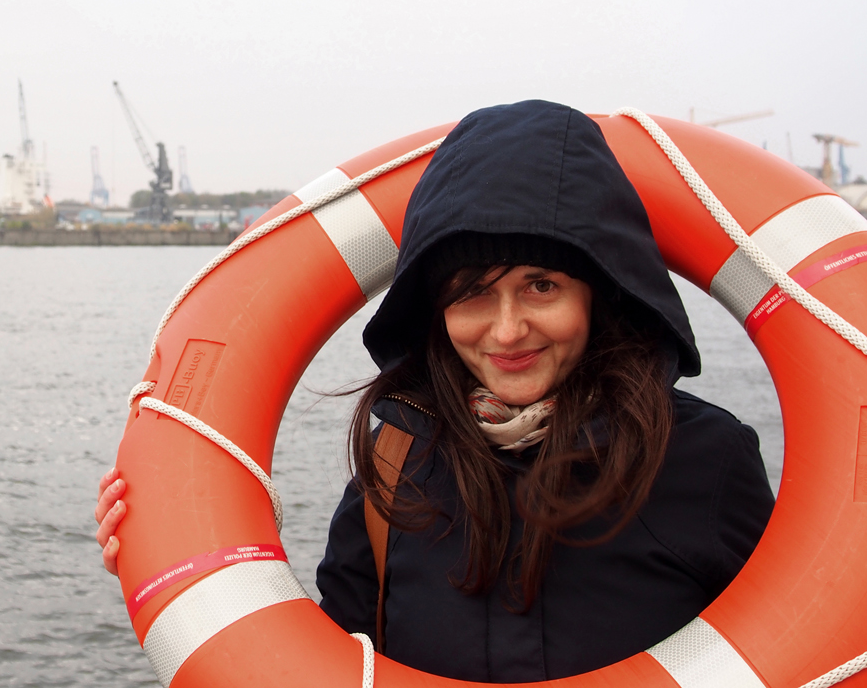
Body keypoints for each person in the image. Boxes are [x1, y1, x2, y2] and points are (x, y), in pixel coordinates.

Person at [97, 101, 775, 682]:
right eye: (472, 294)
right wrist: (170, 544)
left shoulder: (703, 458)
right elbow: (329, 649)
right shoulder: (398, 456)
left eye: (542, 285)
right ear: (434, 310)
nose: (507, 331)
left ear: (599, 293)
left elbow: (801, 629)